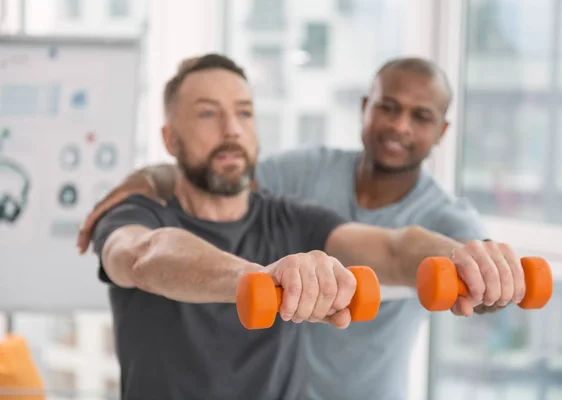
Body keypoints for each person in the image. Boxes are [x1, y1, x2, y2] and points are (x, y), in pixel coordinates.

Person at [80, 54, 526, 400]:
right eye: (208, 114)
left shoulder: (292, 217)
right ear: (171, 139)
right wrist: (257, 277)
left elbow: (393, 248)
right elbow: (145, 256)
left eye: (244, 112)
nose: (232, 129)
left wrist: (465, 260)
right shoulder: (134, 215)